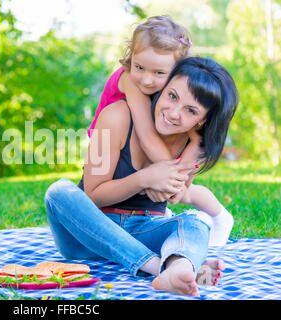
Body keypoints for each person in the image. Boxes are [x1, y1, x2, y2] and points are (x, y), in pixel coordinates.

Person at [45, 57, 238, 296]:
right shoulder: (116, 117)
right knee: (58, 192)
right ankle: (159, 267)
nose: (174, 113)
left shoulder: (192, 145)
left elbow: (176, 195)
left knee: (195, 221)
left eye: (191, 110)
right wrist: (144, 178)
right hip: (87, 235)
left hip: (143, 230)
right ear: (163, 87)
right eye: (172, 96)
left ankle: (180, 268)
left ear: (203, 120)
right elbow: (92, 197)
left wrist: (187, 162)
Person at [88, 15, 233, 246]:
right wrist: (166, 178)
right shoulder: (130, 80)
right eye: (140, 67)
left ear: (176, 71)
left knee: (187, 188)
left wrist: (172, 183)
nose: (146, 80)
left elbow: (195, 145)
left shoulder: (179, 99)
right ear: (131, 58)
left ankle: (215, 216)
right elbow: (146, 135)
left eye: (158, 73)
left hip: (141, 145)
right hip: (111, 136)